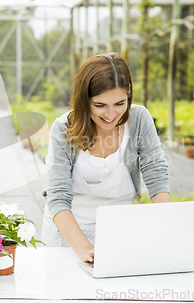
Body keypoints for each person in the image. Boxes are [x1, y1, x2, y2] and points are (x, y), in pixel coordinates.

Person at [41, 53, 171, 263]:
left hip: (121, 234)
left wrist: (167, 230)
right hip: (69, 236)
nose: (111, 115)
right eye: (100, 105)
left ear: (129, 95)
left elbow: (156, 175)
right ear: (84, 100)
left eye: (120, 103)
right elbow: (58, 197)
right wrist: (86, 250)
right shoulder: (63, 128)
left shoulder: (138, 119)